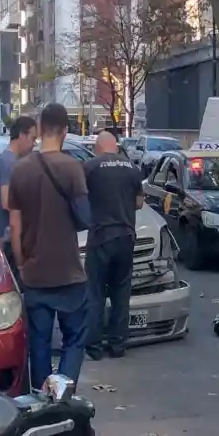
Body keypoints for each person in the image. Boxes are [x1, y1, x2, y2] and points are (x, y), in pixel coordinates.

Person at [8, 103, 92, 391]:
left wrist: (21, 263)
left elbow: (15, 226)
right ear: (65, 131)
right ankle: (63, 392)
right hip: (68, 272)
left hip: (34, 274)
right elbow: (85, 218)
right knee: (75, 338)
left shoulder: (20, 170)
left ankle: (42, 399)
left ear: (41, 130)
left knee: (39, 343)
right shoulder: (72, 168)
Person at [82, 131, 145, 360]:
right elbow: (138, 203)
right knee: (121, 293)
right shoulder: (132, 168)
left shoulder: (90, 167)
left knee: (96, 293)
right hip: (126, 237)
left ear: (99, 147)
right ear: (116, 147)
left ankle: (94, 348)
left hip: (100, 238)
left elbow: (79, 198)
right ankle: (118, 345)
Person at [0, 116, 37, 257]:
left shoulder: (6, 160)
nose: (34, 144)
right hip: (10, 239)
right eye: (32, 138)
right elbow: (6, 202)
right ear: (22, 135)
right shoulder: (10, 163)